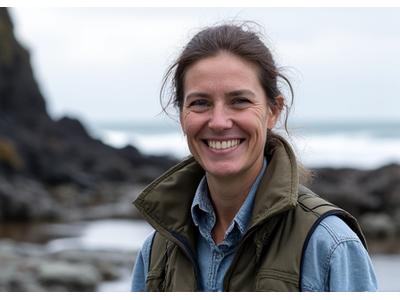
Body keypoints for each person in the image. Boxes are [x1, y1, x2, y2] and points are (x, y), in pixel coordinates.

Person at [130, 23, 377, 292]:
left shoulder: (329, 245)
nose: (219, 122)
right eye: (200, 103)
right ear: (182, 116)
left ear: (273, 111)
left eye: (239, 101)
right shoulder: (157, 252)